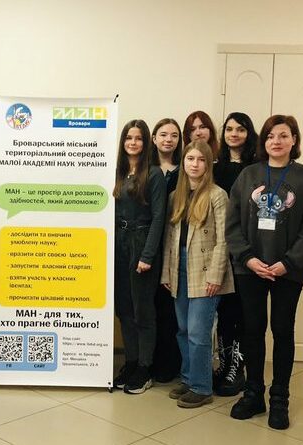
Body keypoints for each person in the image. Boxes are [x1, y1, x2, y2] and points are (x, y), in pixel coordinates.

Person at [225, 114, 303, 430]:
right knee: (252, 329)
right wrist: (247, 258)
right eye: (270, 136)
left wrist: (289, 262)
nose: (276, 141)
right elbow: (232, 223)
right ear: (263, 141)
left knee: (282, 330)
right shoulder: (248, 175)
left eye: (283, 135)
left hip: (287, 271)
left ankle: (280, 398)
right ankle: (254, 393)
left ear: (294, 140)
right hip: (250, 268)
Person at [161, 140, 234, 408]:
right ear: (183, 162)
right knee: (182, 329)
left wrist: (216, 275)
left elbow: (224, 239)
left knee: (198, 332)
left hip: (205, 270)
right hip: (179, 267)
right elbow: (169, 238)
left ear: (208, 164)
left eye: (201, 160)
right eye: (190, 159)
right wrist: (166, 273)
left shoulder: (217, 195)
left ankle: (202, 387)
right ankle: (189, 378)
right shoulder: (175, 196)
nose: (195, 164)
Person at [112, 119, 166, 394]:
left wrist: (147, 255)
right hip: (118, 244)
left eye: (138, 138)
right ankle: (131, 362)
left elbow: (158, 218)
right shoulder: (118, 173)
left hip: (141, 244)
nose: (133, 143)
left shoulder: (154, 175)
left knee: (142, 310)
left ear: (146, 143)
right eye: (128, 138)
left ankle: (145, 368)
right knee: (124, 309)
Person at [211, 112, 259, 397]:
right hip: (219, 249)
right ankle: (225, 363)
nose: (234, 134)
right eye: (229, 129)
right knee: (224, 311)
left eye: (240, 129)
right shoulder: (215, 168)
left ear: (248, 133)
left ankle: (237, 369)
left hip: (246, 250)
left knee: (243, 313)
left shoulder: (258, 167)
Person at [149, 118, 183, 382]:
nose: (168, 139)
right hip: (147, 245)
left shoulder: (185, 170)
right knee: (149, 307)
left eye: (173, 135)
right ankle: (148, 361)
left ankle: (171, 364)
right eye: (163, 134)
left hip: (175, 245)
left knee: (170, 308)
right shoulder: (144, 170)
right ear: (154, 138)